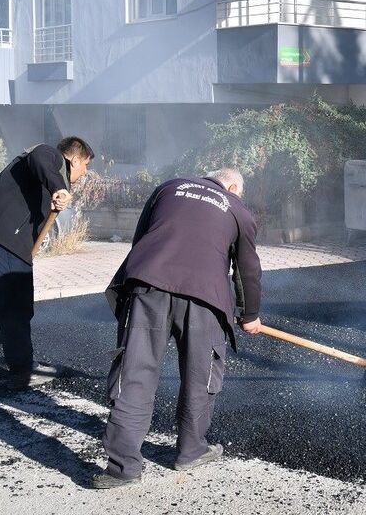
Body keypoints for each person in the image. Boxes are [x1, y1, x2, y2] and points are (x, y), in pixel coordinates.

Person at [94, 168, 262, 489]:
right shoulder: (237, 208)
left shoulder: (168, 188)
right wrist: (250, 313)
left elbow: (142, 239)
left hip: (148, 283)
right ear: (233, 186)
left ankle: (122, 467)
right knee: (201, 375)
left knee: (135, 373)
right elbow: (248, 269)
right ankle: (191, 449)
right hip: (205, 296)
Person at [0, 136, 94, 388]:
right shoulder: (49, 155)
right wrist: (59, 187)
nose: (85, 173)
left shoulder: (41, 177)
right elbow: (40, 155)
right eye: (86, 166)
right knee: (15, 302)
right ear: (75, 158)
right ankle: (21, 369)